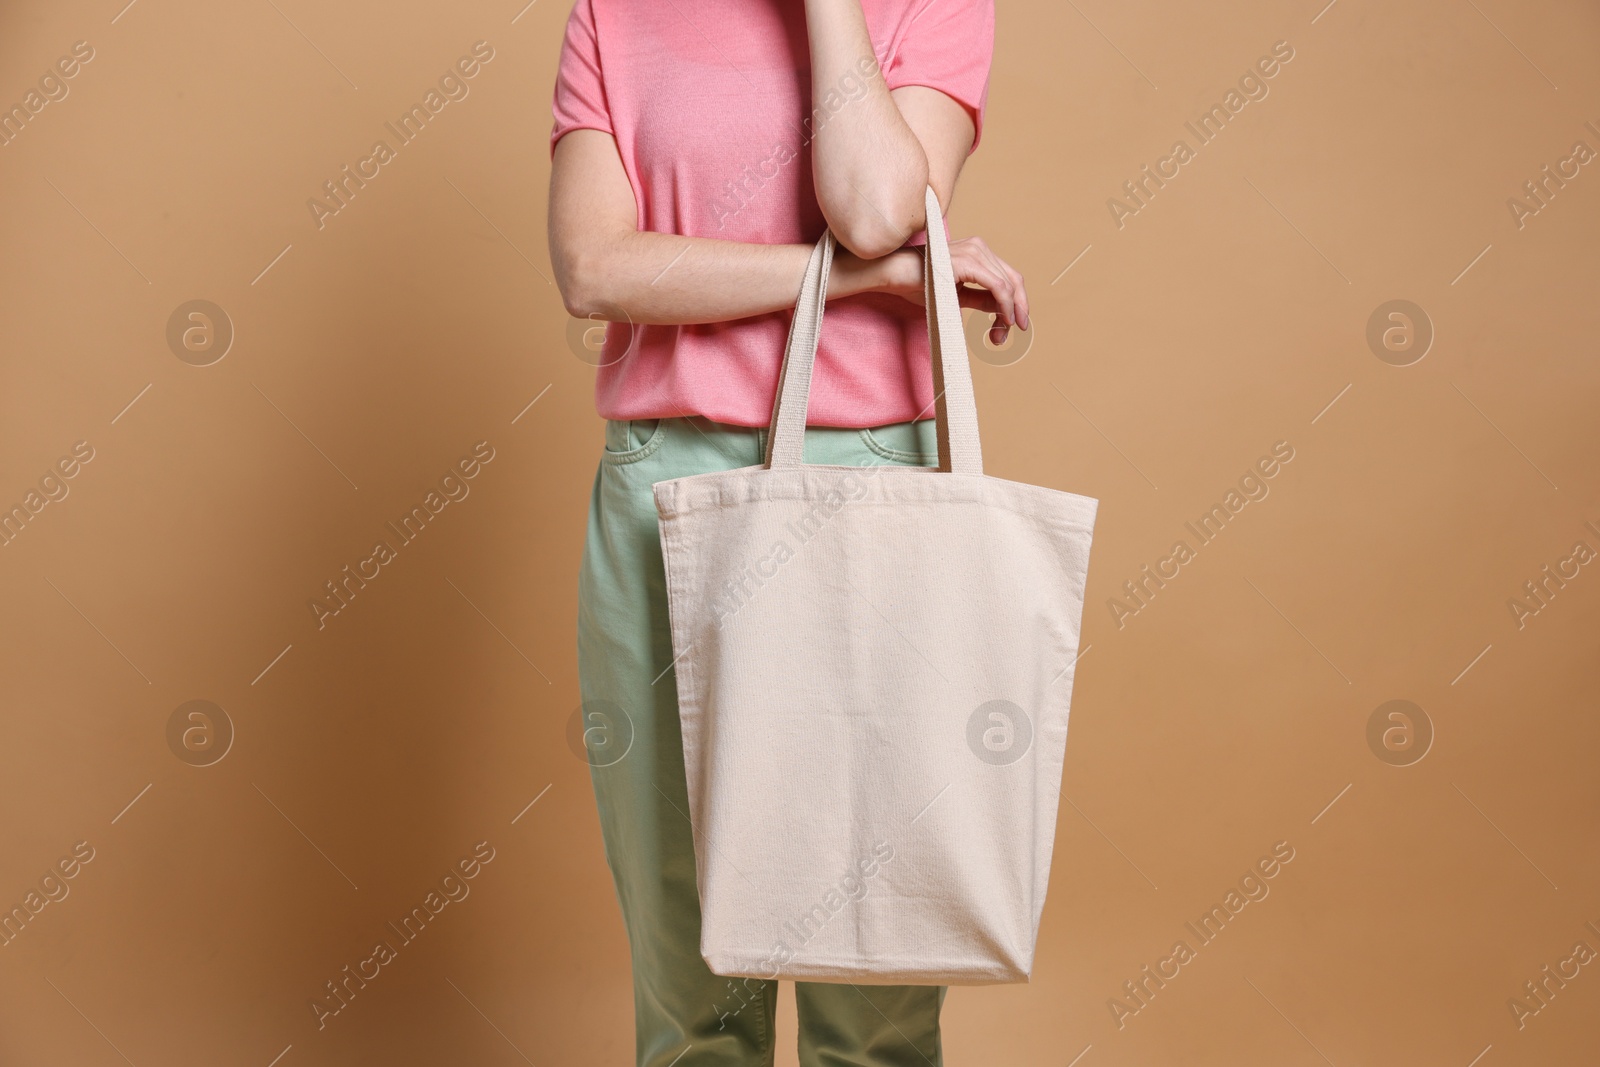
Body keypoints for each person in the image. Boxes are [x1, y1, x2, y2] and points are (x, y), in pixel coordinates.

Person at [548, 2, 1028, 1063]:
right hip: (660, 491)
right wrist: (858, 283)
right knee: (691, 981)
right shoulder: (613, 12)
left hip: (870, 489)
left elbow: (871, 205)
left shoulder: (928, 8)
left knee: (877, 974)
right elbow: (593, 270)